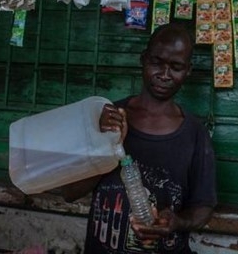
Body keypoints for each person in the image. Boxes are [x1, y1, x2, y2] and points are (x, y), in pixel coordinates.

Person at [62, 22, 217, 253]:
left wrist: (177, 222)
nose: (164, 75)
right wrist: (108, 147)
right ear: (143, 59)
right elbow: (70, 193)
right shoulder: (108, 119)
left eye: (175, 67)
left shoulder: (195, 134)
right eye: (157, 62)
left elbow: (203, 207)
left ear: (188, 71)